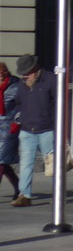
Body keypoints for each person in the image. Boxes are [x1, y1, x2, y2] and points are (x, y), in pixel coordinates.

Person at [8, 54, 55, 207]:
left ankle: (58, 193)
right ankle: (24, 195)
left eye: (27, 72)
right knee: (26, 164)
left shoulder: (50, 79)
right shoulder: (22, 84)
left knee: (52, 165)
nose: (24, 75)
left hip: (47, 129)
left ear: (35, 68)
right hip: (27, 130)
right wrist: (19, 118)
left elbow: (59, 103)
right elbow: (19, 103)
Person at [0, 62, 20, 199]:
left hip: (9, 127)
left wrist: (17, 122)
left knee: (1, 160)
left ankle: (19, 187)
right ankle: (18, 186)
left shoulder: (16, 86)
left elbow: (22, 106)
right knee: (3, 162)